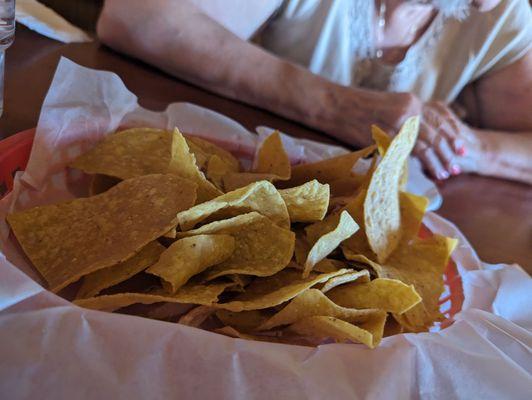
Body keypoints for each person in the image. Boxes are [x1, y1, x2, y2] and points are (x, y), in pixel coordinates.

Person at [96, 0, 532, 184]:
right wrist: (333, 106)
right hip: (202, 185)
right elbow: (136, 16)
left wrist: (463, 147)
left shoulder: (500, 16)